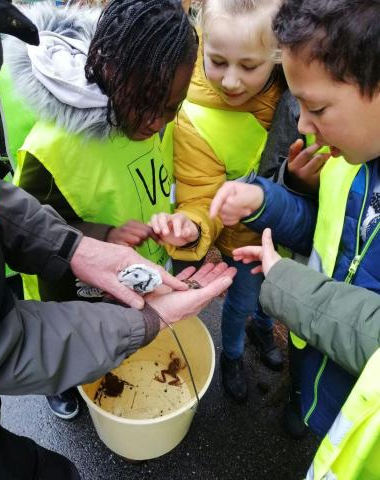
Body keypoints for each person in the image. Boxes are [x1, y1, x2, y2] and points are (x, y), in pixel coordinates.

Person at [0, 2, 236, 477]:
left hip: (133, 272)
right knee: (68, 355)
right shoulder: (54, 147)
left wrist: (181, 221)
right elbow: (26, 237)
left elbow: (178, 186)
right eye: (148, 106)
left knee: (118, 332)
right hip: (69, 293)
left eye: (173, 107)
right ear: (109, 71)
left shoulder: (162, 120)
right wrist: (102, 235)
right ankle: (62, 389)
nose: (158, 123)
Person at [210, 0, 380, 449]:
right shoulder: (353, 160)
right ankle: (301, 406)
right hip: (319, 378)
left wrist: (284, 282)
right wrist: (266, 200)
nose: (302, 122)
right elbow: (329, 229)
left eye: (317, 108)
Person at [149, 0, 304, 404]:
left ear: (277, 56)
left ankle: (263, 327)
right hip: (241, 239)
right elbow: (199, 193)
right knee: (241, 300)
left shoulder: (296, 93)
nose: (231, 81)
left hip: (293, 229)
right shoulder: (193, 115)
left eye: (249, 66)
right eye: (217, 61)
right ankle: (232, 354)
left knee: (276, 293)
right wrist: (192, 226)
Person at [234, 228, 380, 480]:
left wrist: (284, 281)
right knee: (301, 354)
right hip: (310, 309)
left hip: (362, 424)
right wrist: (264, 200)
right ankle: (297, 396)